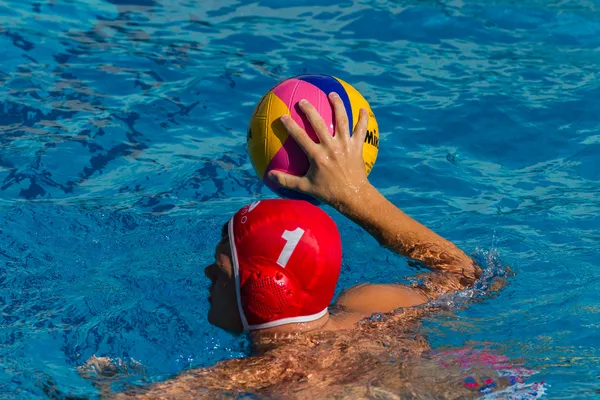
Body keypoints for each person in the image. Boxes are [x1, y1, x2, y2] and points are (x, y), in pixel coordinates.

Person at [83, 93, 525, 399]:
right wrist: (355, 195)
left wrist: (103, 379)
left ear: (266, 286)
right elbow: (470, 276)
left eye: (223, 266)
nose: (207, 275)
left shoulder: (269, 371)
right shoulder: (372, 308)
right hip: (497, 380)